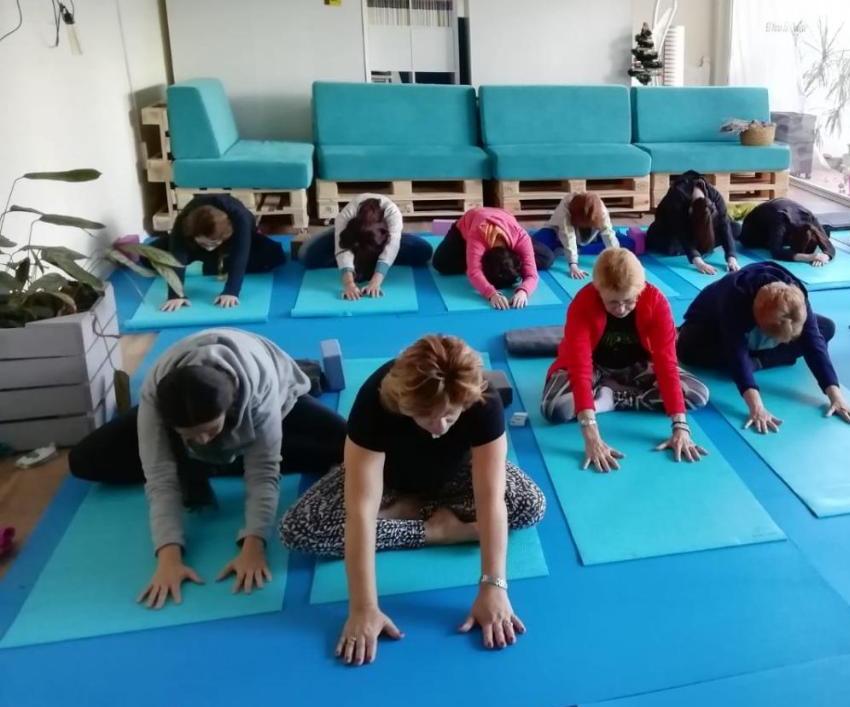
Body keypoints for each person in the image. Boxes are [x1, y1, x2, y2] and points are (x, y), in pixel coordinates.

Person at [278, 335, 546, 664]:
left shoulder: (482, 397)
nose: (439, 427)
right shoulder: (375, 400)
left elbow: (490, 499)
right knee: (298, 529)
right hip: (390, 481)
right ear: (404, 404)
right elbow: (361, 511)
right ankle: (437, 530)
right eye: (427, 416)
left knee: (530, 504)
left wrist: (494, 586)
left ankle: (411, 514)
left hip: (457, 477)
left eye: (450, 415)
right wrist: (364, 608)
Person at [68, 329, 347, 609]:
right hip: (186, 400)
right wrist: (169, 557)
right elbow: (160, 477)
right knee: (84, 461)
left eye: (210, 431)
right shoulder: (156, 398)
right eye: (191, 436)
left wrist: (254, 545)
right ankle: (220, 455)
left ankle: (305, 375)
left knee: (347, 444)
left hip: (274, 386)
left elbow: (263, 472)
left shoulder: (260, 390)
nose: (202, 440)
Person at [541, 248, 710, 472]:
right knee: (554, 409)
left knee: (698, 394)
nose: (621, 309)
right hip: (595, 367)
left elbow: (666, 362)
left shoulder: (656, 301)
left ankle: (612, 399)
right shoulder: (583, 304)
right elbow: (580, 367)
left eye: (628, 301)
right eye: (612, 302)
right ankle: (608, 396)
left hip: (637, 366)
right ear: (598, 290)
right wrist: (591, 436)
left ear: (640, 290)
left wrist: (680, 427)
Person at [676, 260, 850, 433]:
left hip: (758, 335)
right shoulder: (734, 294)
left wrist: (836, 396)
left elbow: (813, 341)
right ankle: (757, 358)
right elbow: (736, 349)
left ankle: (758, 361)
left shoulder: (796, 295)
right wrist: (757, 407)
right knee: (688, 350)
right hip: (711, 328)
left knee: (826, 328)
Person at [156, 194, 286, 313]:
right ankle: (207, 261)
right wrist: (175, 294)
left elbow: (241, 253)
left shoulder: (240, 218)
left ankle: (203, 267)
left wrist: (231, 291)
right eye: (205, 244)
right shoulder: (183, 221)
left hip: (231, 244)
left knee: (274, 255)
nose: (210, 248)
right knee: (151, 256)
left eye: (212, 244)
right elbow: (177, 254)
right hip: (196, 248)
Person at [298, 194, 434, 299]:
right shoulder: (344, 217)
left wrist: (376, 281)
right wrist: (349, 284)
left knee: (423, 252)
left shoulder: (393, 215)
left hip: (386, 240)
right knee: (307, 256)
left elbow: (391, 248)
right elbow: (343, 249)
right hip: (351, 239)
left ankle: (374, 257)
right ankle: (354, 258)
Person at [431, 206, 554, 310]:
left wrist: (524, 291)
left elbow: (532, 275)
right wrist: (491, 294)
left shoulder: (521, 237)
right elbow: (474, 272)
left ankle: (474, 259)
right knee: (440, 263)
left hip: (506, 224)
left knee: (547, 258)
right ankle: (473, 258)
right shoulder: (477, 235)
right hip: (467, 225)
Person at [645, 170, 739, 276]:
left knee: (735, 228)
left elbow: (724, 225)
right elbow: (681, 232)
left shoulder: (714, 196)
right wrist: (698, 261)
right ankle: (698, 249)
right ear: (689, 211)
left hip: (698, 233)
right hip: (671, 232)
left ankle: (699, 247)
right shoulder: (677, 197)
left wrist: (732, 258)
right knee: (670, 247)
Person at [531, 191, 635, 281]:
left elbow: (608, 233)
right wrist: (573, 264)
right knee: (534, 243)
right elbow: (568, 234)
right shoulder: (566, 206)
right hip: (558, 235)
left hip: (589, 238)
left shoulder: (600, 209)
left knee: (628, 243)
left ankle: (572, 250)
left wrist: (616, 258)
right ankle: (570, 250)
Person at [738, 198, 836, 267]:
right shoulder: (780, 220)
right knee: (772, 243)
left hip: (779, 218)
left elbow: (828, 245)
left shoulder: (809, 216)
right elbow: (775, 252)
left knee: (824, 233)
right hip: (751, 232)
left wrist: (826, 256)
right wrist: (809, 257)